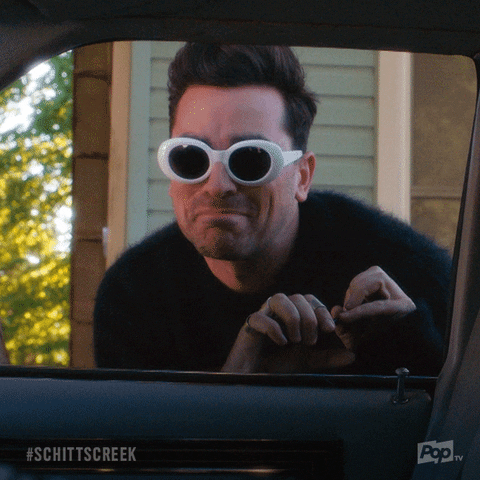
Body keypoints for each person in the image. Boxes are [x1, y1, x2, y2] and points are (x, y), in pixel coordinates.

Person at [94, 43, 451, 375]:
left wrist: (414, 351)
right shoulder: (134, 296)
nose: (217, 185)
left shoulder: (411, 279)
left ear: (302, 177)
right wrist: (239, 378)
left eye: (251, 159)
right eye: (191, 158)